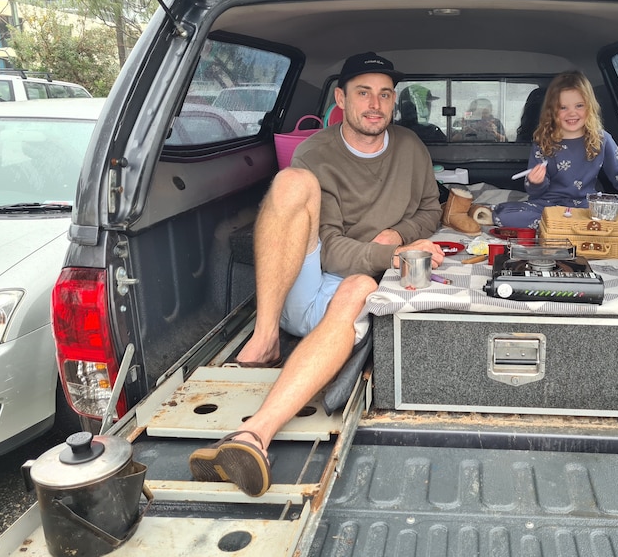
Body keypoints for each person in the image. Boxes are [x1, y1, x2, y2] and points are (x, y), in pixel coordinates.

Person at [189, 52, 443, 497]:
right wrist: (394, 255)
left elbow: (429, 210)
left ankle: (252, 437)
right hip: (308, 278)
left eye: (385, 94)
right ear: (341, 98)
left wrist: (395, 233)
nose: (375, 104)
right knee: (290, 183)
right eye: (363, 92)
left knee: (359, 286)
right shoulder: (315, 153)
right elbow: (330, 252)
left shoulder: (411, 148)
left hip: (351, 289)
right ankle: (265, 337)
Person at [493, 71, 618, 228]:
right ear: (552, 111)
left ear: (590, 107)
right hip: (548, 206)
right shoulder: (543, 141)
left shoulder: (600, 139)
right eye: (563, 107)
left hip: (585, 208)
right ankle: (564, 226)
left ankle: (560, 227)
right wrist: (535, 182)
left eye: (579, 106)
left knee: (614, 219)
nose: (572, 113)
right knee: (505, 216)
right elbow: (535, 193)